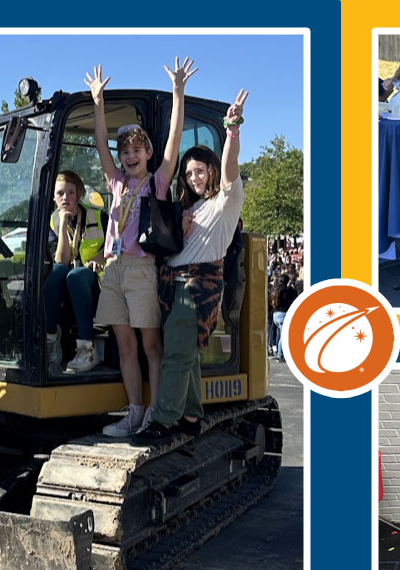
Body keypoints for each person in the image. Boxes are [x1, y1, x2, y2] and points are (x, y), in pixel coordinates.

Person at [85, 59, 195, 436]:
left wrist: (178, 93)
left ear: (147, 152)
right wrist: (97, 102)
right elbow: (100, 142)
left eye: (136, 149)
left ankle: (155, 412)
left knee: (151, 345)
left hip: (141, 270)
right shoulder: (116, 183)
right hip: (113, 271)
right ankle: (133, 412)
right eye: (124, 151)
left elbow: (175, 139)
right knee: (125, 345)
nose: (129, 155)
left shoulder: (158, 183)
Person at [135, 89, 249, 442]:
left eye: (200, 171)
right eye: (189, 173)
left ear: (211, 170)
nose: (194, 178)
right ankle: (189, 414)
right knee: (186, 353)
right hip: (173, 282)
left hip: (197, 286)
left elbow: (230, 167)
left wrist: (231, 129)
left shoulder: (225, 201)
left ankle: (164, 418)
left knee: (179, 353)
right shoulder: (190, 209)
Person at [43, 170, 107, 375]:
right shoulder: (53, 222)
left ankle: (87, 349)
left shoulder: (98, 217)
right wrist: (62, 226)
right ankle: (51, 340)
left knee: (76, 276)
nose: (65, 198)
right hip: (68, 287)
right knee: (54, 273)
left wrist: (101, 257)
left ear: (79, 194)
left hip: (94, 282)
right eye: (60, 193)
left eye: (71, 193)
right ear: (53, 197)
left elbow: (118, 246)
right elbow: (61, 260)